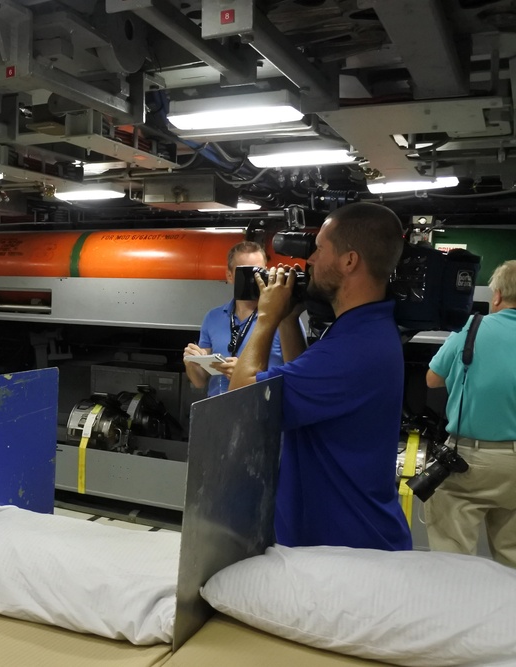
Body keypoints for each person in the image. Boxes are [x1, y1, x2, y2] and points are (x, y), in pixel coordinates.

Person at [229, 202, 412, 551]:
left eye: (320, 248)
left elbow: (242, 399)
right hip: (343, 539)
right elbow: (305, 389)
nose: (310, 260)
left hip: (347, 550)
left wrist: (265, 318)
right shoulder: (361, 329)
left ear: (349, 261)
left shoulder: (354, 349)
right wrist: (286, 319)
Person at [424, 259, 516, 567]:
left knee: (453, 559)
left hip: (469, 462)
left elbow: (432, 379)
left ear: (498, 296)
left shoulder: (473, 327)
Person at [184, 241, 301, 396]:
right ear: (229, 276)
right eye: (245, 273)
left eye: (259, 272)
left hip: (261, 411)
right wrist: (191, 363)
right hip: (220, 410)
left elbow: (298, 377)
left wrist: (247, 374)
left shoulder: (284, 318)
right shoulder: (213, 318)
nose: (253, 279)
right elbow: (199, 381)